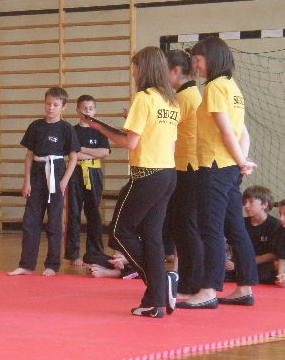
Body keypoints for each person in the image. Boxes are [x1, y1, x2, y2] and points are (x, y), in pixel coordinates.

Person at [87, 47, 179, 318]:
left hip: (147, 173)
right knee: (151, 235)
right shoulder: (170, 101)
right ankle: (155, 301)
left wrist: (99, 127)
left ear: (144, 68)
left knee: (119, 232)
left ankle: (160, 283)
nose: (133, 71)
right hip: (167, 173)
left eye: (135, 66)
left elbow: (130, 142)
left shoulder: (144, 97)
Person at [178, 37, 259, 309]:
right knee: (235, 227)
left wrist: (242, 160)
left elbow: (226, 130)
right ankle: (245, 287)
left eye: (199, 60)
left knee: (210, 229)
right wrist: (241, 162)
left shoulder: (214, 87)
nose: (196, 66)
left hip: (213, 167)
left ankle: (209, 289)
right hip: (229, 168)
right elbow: (242, 131)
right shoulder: (232, 86)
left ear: (211, 59)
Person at [9, 87, 80, 277]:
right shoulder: (36, 126)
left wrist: (64, 181)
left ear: (63, 107)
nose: (51, 108)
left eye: (55, 105)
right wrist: (27, 181)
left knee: (54, 222)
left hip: (57, 173)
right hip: (37, 174)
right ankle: (26, 264)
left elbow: (73, 157)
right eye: (48, 104)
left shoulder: (66, 128)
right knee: (30, 221)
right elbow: (29, 156)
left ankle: (52, 264)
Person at [163, 49, 203, 297]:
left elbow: (165, 128)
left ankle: (192, 283)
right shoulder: (186, 95)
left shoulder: (185, 97)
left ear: (176, 71)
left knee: (187, 227)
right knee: (181, 227)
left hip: (188, 168)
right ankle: (188, 280)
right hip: (184, 166)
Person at [64, 95, 110, 266]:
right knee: (74, 212)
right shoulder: (72, 130)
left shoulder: (100, 130)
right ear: (77, 110)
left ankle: (95, 253)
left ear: (95, 110)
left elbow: (105, 152)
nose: (87, 112)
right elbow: (71, 154)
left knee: (94, 213)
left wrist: (82, 149)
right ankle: (73, 254)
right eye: (84, 108)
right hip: (75, 173)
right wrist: (86, 153)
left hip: (94, 173)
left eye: (90, 108)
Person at [241, 185, 281, 284]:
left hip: (263, 264)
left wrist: (250, 261)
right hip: (243, 262)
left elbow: (276, 254)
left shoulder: (275, 225)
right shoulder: (241, 223)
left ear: (264, 205)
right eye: (245, 202)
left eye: (251, 202)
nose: (246, 206)